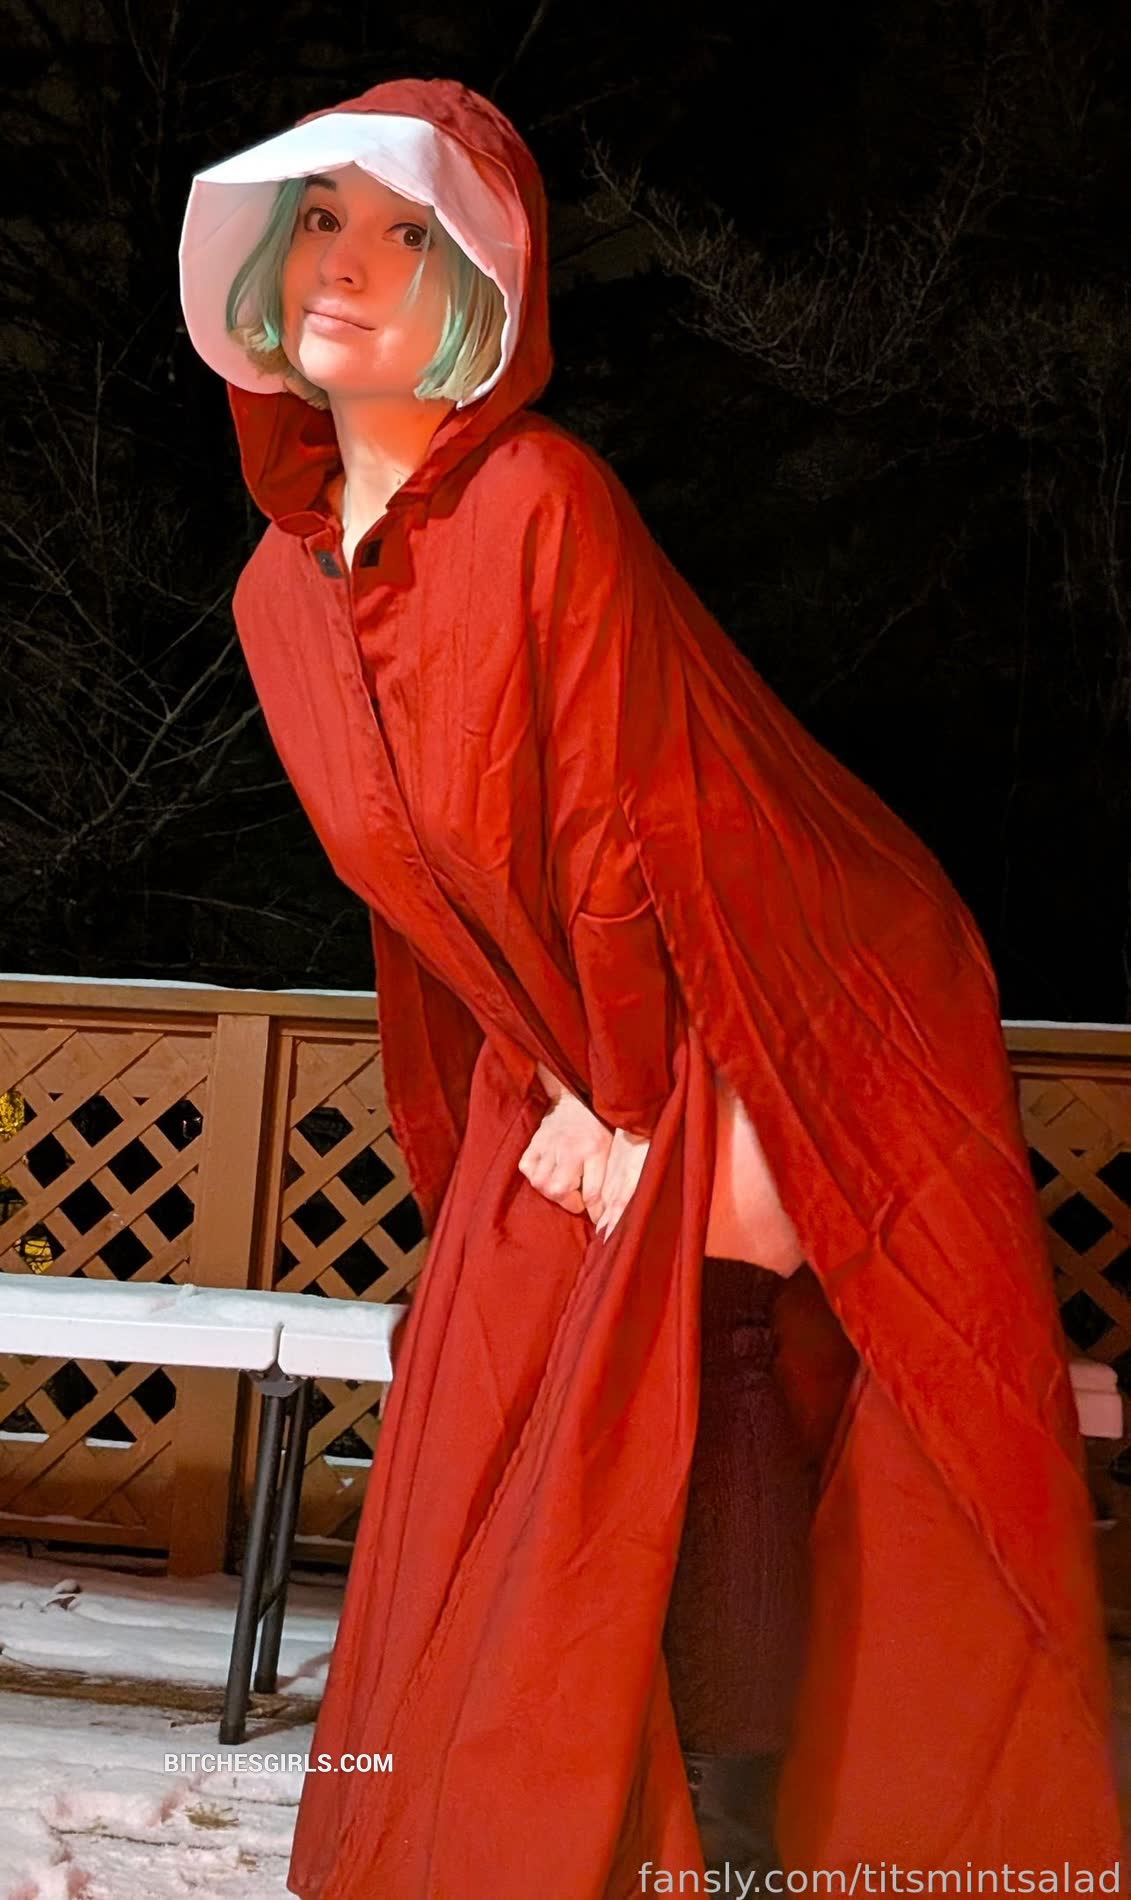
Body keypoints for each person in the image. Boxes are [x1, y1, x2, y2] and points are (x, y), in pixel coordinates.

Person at [179, 76, 1124, 1900]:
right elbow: (420, 904)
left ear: (480, 288)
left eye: (403, 233)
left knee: (707, 1326)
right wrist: (507, 1113)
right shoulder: (275, 603)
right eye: (318, 223)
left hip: (777, 970)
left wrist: (625, 1112)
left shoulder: (546, 499)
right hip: (580, 1037)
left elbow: (620, 833)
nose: (345, 266)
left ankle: (750, 1832)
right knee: (515, 1376)